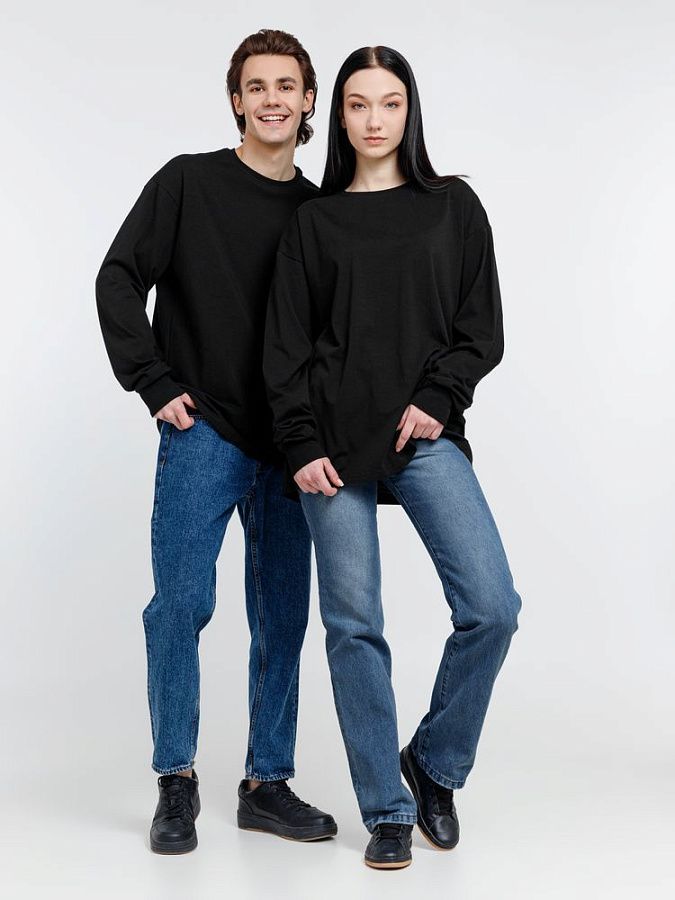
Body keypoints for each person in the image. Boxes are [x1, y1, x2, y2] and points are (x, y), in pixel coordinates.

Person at [264, 45, 522, 870]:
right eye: (357, 104)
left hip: (421, 435)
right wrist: (300, 443)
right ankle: (385, 807)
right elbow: (284, 349)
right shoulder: (314, 222)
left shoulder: (452, 206)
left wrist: (440, 396)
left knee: (492, 606)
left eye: (389, 103)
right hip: (330, 445)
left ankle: (433, 764)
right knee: (353, 626)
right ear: (336, 117)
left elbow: (480, 329)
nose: (374, 119)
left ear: (409, 112)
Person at [95, 29, 336, 854]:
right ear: (236, 99)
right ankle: (176, 779)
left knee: (283, 617)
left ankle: (267, 783)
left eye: (286, 85)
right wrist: (154, 382)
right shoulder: (187, 182)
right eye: (256, 86)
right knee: (179, 607)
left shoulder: (319, 212)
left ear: (308, 100)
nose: (272, 99)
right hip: (203, 433)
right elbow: (118, 276)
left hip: (292, 447)